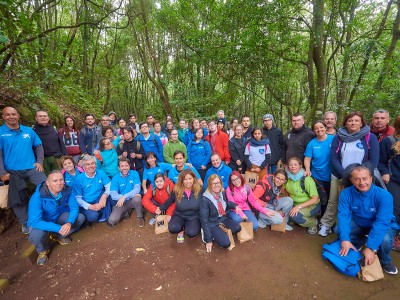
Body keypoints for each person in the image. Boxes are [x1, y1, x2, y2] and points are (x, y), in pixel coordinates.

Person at [319, 111, 379, 237]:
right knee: (334, 200)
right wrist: (344, 174)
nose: (353, 123)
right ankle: (326, 224)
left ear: (361, 123)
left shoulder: (369, 137)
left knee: (358, 202)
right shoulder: (339, 137)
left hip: (360, 178)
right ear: (345, 123)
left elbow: (373, 160)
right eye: (350, 120)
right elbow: (333, 157)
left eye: (356, 120)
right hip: (339, 174)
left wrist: (361, 176)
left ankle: (352, 229)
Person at [338, 166, 398, 275]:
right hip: (360, 222)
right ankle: (359, 241)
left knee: (385, 240)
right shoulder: (345, 193)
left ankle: (385, 260)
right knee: (339, 230)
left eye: (365, 178)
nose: (362, 182)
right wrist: (345, 239)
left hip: (382, 225)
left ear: (371, 178)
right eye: (357, 179)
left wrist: (371, 248)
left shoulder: (384, 196)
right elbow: (343, 217)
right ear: (351, 180)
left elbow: (382, 223)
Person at [0, 107, 47, 234]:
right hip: (12, 171)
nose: (11, 117)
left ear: (18, 115)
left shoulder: (28, 131)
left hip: (31, 167)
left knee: (47, 186)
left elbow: (39, 146)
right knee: (17, 198)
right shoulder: (1, 132)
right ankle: (25, 223)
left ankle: (46, 213)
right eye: (8, 115)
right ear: (3, 117)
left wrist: (40, 162)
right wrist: (2, 173)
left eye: (13, 114)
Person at [27, 171, 85, 265]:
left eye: (61, 179)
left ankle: (58, 236)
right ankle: (43, 251)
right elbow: (35, 221)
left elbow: (74, 207)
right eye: (55, 180)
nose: (59, 183)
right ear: (47, 182)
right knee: (36, 235)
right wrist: (58, 228)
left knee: (80, 218)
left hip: (57, 216)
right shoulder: (37, 197)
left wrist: (69, 222)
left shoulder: (67, 190)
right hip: (41, 222)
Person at [158, 169, 203, 243]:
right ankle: (181, 230)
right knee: (172, 228)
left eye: (190, 178)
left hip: (194, 216)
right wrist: (161, 208)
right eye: (185, 179)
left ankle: (187, 227)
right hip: (179, 214)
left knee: (191, 233)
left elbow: (207, 199)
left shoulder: (200, 188)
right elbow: (170, 200)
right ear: (181, 180)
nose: (188, 181)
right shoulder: (177, 189)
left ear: (194, 179)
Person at [200, 174, 242, 252]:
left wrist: (234, 206)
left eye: (218, 182)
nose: (217, 185)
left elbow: (225, 203)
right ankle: (211, 232)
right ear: (209, 185)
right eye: (214, 183)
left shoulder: (221, 193)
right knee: (226, 244)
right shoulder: (205, 199)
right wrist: (208, 240)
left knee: (237, 228)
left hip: (222, 218)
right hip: (212, 222)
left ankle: (219, 232)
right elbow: (204, 220)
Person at [378, 116, 400, 250]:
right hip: (393, 180)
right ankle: (388, 237)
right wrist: (384, 172)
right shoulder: (389, 141)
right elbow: (380, 161)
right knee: (394, 210)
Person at [304, 121, 334, 215]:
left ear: (325, 128)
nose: (319, 130)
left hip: (332, 175)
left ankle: (328, 219)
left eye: (321, 127)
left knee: (330, 198)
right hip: (317, 175)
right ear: (314, 131)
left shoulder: (333, 139)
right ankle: (318, 216)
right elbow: (307, 159)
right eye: (316, 128)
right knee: (320, 197)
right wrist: (308, 170)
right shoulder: (312, 143)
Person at [285, 157, 320, 234]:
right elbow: (286, 191)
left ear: (300, 166)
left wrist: (298, 207)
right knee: (286, 214)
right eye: (291, 165)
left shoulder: (306, 179)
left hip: (311, 205)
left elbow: (315, 199)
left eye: (295, 164)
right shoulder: (288, 178)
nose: (293, 166)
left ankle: (314, 222)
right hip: (296, 204)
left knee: (294, 216)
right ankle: (300, 217)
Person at [74, 155, 112, 224]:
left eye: (92, 163)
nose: (91, 166)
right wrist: (90, 206)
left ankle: (105, 214)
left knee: (111, 195)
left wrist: (104, 197)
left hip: (98, 197)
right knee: (93, 216)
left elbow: (109, 185)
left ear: (95, 164)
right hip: (87, 202)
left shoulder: (100, 172)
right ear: (83, 167)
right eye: (87, 164)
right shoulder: (79, 179)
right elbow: (78, 199)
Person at [109, 158, 144, 227]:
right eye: (122, 166)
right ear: (119, 168)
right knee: (112, 220)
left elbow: (137, 189)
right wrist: (123, 198)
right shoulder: (115, 178)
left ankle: (140, 216)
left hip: (132, 200)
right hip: (122, 202)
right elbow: (113, 195)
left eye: (126, 165)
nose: (124, 168)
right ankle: (126, 211)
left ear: (129, 166)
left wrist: (124, 196)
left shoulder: (134, 173)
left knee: (137, 199)